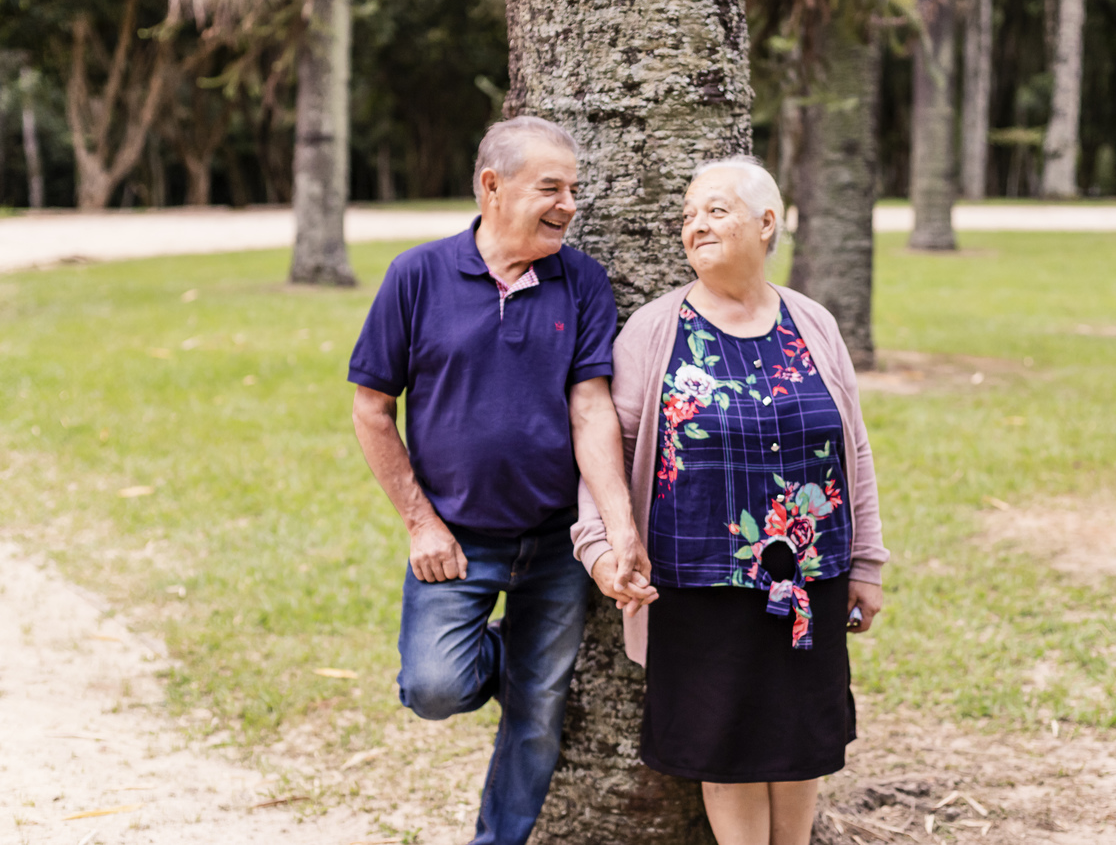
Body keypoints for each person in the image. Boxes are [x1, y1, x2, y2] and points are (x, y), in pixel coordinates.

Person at [348, 116, 655, 845]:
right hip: (455, 540)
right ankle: (501, 652)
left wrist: (618, 528)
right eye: (551, 188)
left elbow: (591, 408)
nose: (569, 205)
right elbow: (371, 409)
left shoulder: (580, 281)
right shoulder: (417, 276)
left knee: (537, 714)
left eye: (573, 189)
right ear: (492, 186)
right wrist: (421, 523)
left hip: (555, 544)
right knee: (434, 688)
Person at [572, 156, 889, 845]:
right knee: (726, 752)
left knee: (801, 742)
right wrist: (599, 546)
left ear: (766, 223)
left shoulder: (813, 322)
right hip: (698, 585)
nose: (696, 226)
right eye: (688, 216)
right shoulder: (655, 329)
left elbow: (853, 448)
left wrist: (866, 563)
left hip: (810, 580)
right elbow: (606, 450)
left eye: (715, 210)